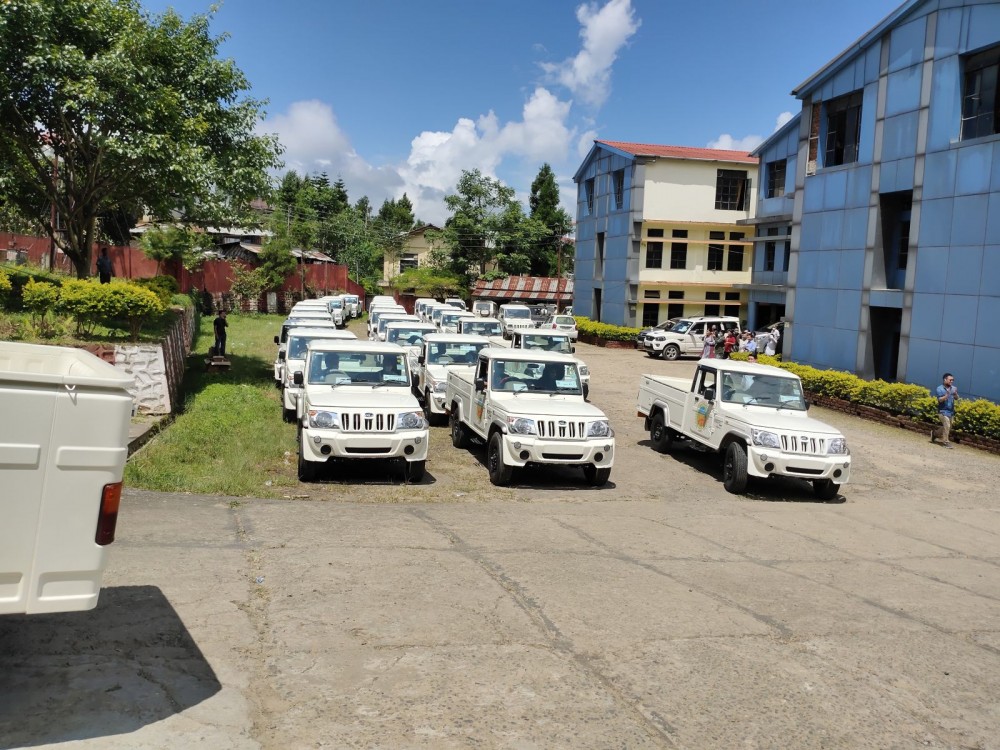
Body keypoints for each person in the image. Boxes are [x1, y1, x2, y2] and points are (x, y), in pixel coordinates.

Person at [931, 373, 958, 448]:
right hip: (942, 411)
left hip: (951, 411)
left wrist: (955, 394)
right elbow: (939, 400)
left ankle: (935, 434)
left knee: (948, 426)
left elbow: (956, 398)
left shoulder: (953, 388)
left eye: (953, 380)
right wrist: (946, 395)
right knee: (947, 424)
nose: (951, 381)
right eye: (950, 380)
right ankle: (946, 442)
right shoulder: (939, 388)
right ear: (945, 380)